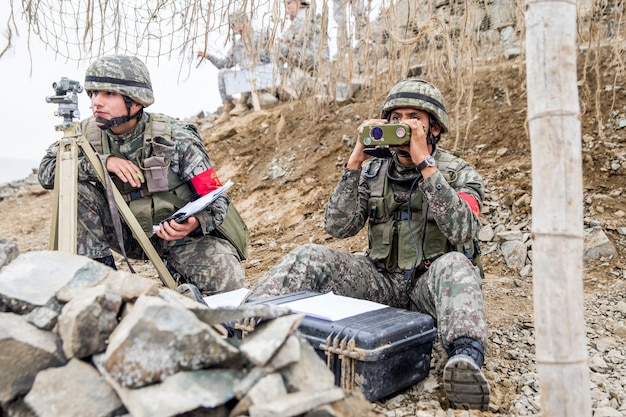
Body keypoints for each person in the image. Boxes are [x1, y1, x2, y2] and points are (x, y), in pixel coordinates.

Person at [244, 78, 490, 410]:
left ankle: (465, 358)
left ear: (434, 128)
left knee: (456, 264)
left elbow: (463, 229)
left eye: (413, 118)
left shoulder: (459, 173)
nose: (403, 124)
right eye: (396, 117)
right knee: (310, 255)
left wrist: (426, 166)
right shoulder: (375, 170)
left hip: (428, 287)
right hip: (381, 281)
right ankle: (243, 323)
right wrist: (354, 163)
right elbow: (337, 227)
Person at [38, 54, 248, 296]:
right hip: (125, 233)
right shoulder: (84, 134)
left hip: (179, 236)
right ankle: (97, 284)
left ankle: (178, 269)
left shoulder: (175, 136)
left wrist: (196, 222)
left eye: (108, 94)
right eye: (93, 93)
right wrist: (101, 164)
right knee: (75, 185)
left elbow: (216, 197)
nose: (97, 102)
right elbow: (47, 173)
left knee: (231, 292)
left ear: (136, 102)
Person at [198, 11, 272, 124]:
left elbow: (268, 57)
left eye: (233, 24)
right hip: (246, 78)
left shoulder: (259, 36)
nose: (232, 28)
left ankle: (243, 103)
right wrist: (208, 56)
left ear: (241, 23)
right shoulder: (237, 45)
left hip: (262, 75)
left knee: (248, 66)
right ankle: (228, 106)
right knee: (223, 73)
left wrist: (255, 61)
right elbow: (225, 64)